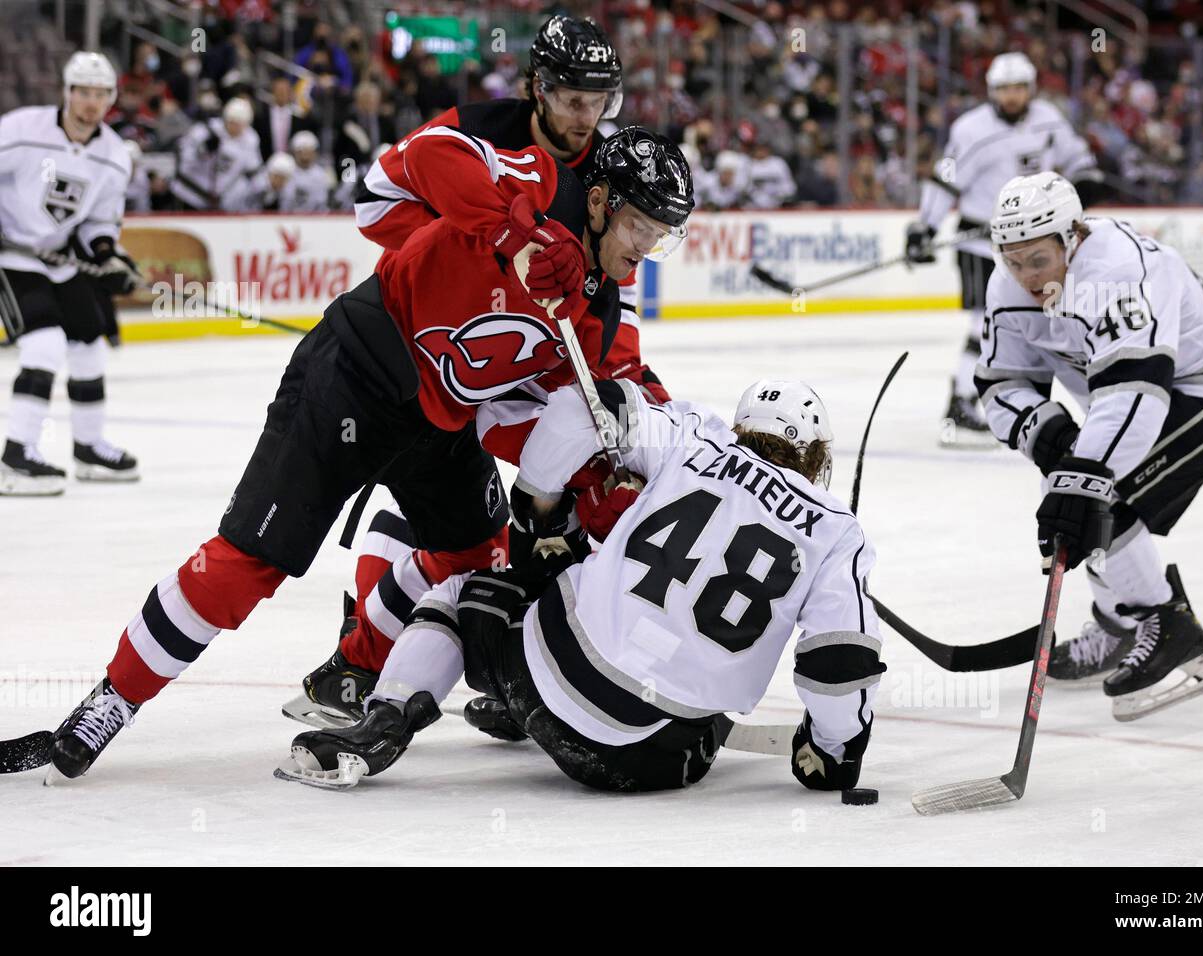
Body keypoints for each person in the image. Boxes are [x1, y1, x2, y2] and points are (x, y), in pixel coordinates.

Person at [44, 125, 695, 780]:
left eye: (660, 236)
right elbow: (420, 156)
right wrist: (513, 229)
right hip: (354, 374)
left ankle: (355, 669)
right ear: (599, 200)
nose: (646, 248)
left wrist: (607, 475)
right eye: (640, 225)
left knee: (482, 557)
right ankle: (112, 700)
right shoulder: (543, 185)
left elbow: (552, 415)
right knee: (251, 563)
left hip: (439, 422)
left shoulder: (596, 308)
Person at [287, 15, 669, 740]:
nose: (587, 118)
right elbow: (380, 201)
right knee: (490, 533)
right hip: (443, 358)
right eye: (572, 99)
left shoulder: (603, 178)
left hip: (501, 365)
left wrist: (631, 385)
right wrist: (478, 262)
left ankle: (375, 656)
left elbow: (605, 313)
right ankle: (375, 660)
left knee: (474, 525)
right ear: (538, 88)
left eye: (602, 100)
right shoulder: (485, 134)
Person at [280, 378, 886, 794]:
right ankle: (520, 715)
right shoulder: (837, 531)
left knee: (469, 586)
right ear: (814, 456)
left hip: (544, 682)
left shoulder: (695, 439)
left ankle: (384, 724)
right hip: (659, 759)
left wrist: (535, 503)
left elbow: (582, 407)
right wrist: (835, 752)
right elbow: (838, 663)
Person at [977, 172, 1203, 720]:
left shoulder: (1119, 266)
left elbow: (1138, 390)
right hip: (1140, 402)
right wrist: (1052, 437)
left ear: (1074, 236)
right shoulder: (1006, 282)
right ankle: (1120, 626)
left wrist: (1083, 474)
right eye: (1012, 261)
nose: (1024, 278)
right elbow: (1001, 384)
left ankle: (1166, 624)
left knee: (1092, 495)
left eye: (1037, 260)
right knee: (1075, 490)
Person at [908, 52, 1102, 448]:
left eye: (1018, 88)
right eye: (1004, 89)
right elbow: (945, 181)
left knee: (1041, 319)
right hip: (982, 241)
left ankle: (1033, 395)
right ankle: (961, 402)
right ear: (991, 91)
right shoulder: (970, 129)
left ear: (1030, 89)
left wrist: (1084, 182)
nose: (1012, 97)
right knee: (986, 320)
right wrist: (924, 226)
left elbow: (1078, 158)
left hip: (1036, 242)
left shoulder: (1048, 118)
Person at [0, 51, 142, 495]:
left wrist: (106, 255)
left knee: (88, 345)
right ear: (67, 92)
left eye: (101, 94)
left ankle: (88, 447)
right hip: (10, 254)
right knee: (44, 343)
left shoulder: (114, 156)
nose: (90, 103)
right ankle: (17, 455)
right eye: (83, 92)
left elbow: (100, 220)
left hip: (58, 258)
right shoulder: (22, 129)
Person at [170, 96, 261, 211]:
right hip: (189, 195)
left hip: (217, 203)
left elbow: (252, 171)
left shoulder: (250, 140)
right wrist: (203, 150)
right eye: (232, 122)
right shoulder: (206, 130)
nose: (235, 127)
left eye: (240, 124)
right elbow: (183, 159)